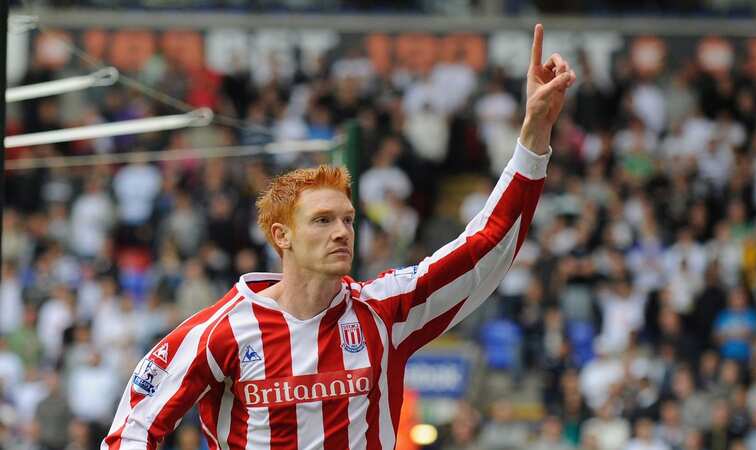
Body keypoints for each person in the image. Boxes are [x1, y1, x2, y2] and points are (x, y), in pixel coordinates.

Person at [102, 23, 576, 450]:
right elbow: (132, 432)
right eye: (323, 220)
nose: (342, 232)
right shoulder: (219, 331)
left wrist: (534, 136)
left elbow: (486, 247)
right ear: (280, 235)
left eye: (347, 219)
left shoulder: (385, 312)